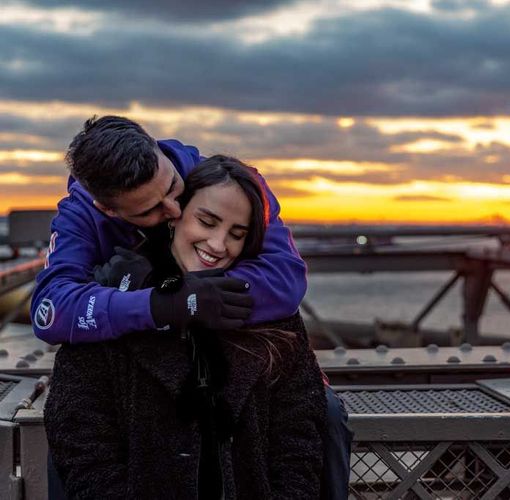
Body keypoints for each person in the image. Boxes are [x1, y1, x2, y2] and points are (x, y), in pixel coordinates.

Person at [36, 116, 352, 499]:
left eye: (174, 190)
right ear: (109, 210)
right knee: (71, 429)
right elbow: (52, 309)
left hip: (235, 405)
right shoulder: (82, 215)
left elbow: (286, 276)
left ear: (158, 149)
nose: (171, 209)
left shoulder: (223, 182)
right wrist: (159, 303)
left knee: (326, 415)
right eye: (150, 210)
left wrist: (207, 296)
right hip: (133, 389)